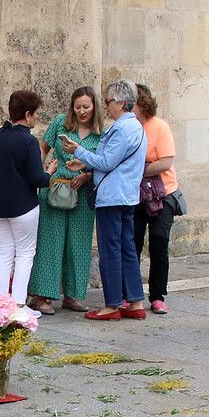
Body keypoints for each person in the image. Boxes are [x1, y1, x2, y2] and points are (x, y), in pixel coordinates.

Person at [62, 80, 146, 320]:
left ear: (120, 102)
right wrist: (86, 162)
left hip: (112, 196)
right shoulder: (136, 127)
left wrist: (78, 151)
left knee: (111, 250)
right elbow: (112, 161)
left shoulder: (122, 128)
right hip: (127, 194)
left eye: (108, 101)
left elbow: (107, 161)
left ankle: (112, 304)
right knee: (127, 247)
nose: (106, 106)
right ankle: (135, 300)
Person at [27, 87, 101, 315]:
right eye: (77, 107)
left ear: (94, 107)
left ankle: (73, 295)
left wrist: (87, 175)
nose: (81, 111)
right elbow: (43, 148)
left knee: (79, 245)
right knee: (51, 242)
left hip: (82, 193)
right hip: (55, 189)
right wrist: (39, 171)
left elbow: (102, 162)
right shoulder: (60, 122)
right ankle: (41, 295)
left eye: (86, 107)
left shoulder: (101, 134)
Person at [0, 90, 56, 304]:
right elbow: (37, 179)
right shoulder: (28, 141)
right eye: (36, 114)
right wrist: (49, 171)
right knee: (24, 254)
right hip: (22, 206)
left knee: (4, 252)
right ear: (28, 114)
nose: (37, 118)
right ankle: (19, 304)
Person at [132, 85, 180, 315]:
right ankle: (131, 293)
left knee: (159, 242)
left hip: (162, 194)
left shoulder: (159, 126)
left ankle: (158, 296)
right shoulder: (127, 127)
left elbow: (165, 162)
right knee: (133, 242)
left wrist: (134, 170)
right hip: (135, 194)